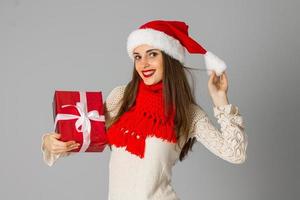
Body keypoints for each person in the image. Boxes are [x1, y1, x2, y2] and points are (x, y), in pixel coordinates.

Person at [41, 20, 248, 200]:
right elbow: (85, 136)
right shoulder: (122, 97)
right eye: (138, 56)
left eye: (152, 54)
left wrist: (220, 99)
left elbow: (235, 154)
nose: (144, 64)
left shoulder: (188, 113)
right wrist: (51, 143)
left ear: (169, 58)